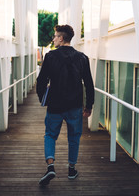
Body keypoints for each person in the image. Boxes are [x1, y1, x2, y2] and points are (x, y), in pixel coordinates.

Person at [36, 24, 94, 186]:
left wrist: (43, 98)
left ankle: (51, 167)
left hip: (55, 105)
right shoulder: (82, 57)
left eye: (55, 36)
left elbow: (41, 81)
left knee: (50, 135)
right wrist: (89, 105)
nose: (53, 39)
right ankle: (71, 169)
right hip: (75, 106)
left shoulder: (51, 56)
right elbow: (89, 84)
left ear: (61, 38)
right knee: (74, 138)